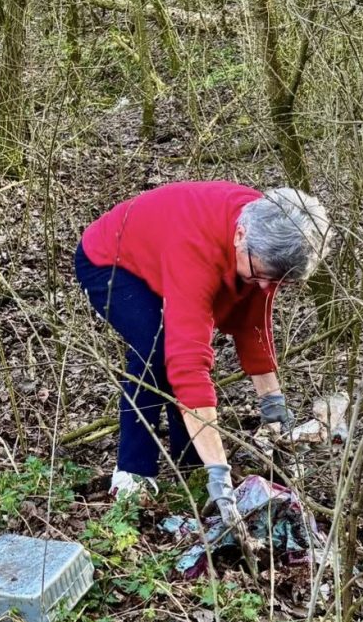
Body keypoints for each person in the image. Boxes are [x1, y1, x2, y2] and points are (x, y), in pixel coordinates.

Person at [74, 182, 332, 528]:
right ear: (240, 235)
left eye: (279, 283)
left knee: (172, 350)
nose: (267, 290)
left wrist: (274, 408)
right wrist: (220, 477)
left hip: (166, 252)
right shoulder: (197, 251)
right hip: (112, 262)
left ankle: (190, 463)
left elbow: (253, 326)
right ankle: (133, 474)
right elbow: (188, 366)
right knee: (154, 352)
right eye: (262, 276)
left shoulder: (270, 234)